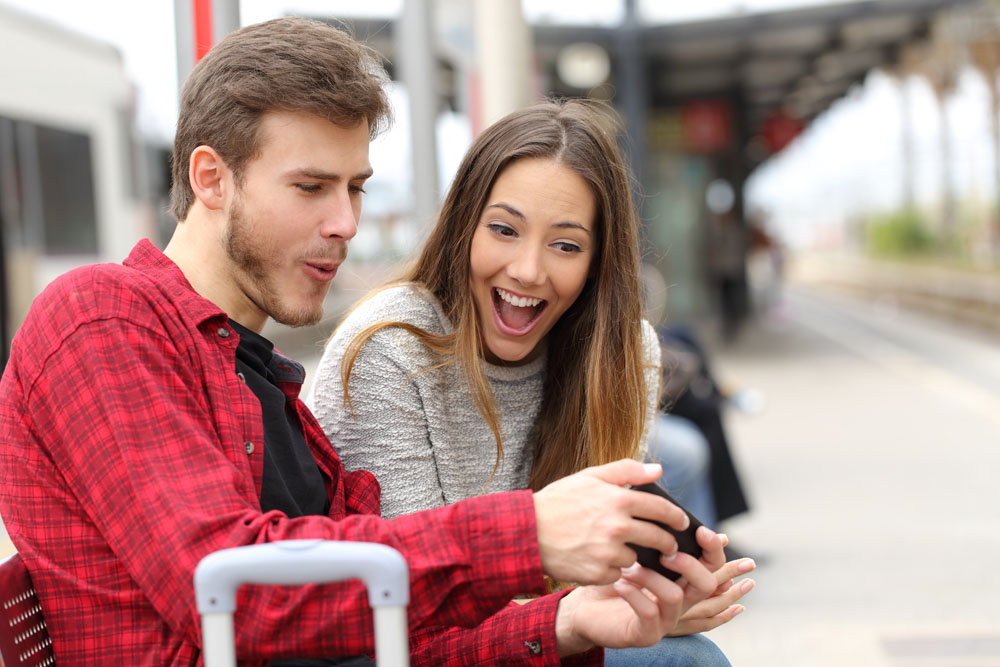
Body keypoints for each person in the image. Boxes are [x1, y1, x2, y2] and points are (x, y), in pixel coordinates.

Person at [0, 17, 734, 667]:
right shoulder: (104, 319)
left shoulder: (266, 385)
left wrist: (566, 620)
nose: (347, 221)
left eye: (355, 187)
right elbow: (228, 593)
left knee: (677, 653)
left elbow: (377, 632)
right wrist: (528, 533)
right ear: (211, 178)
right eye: (312, 186)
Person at [307, 100, 754, 666]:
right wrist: (590, 609)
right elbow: (411, 599)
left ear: (597, 262)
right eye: (503, 229)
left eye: (565, 245)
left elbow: (604, 570)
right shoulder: (388, 347)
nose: (527, 270)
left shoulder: (625, 350)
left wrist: (652, 600)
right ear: (463, 225)